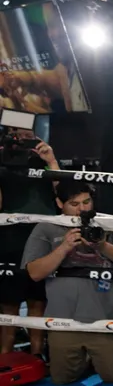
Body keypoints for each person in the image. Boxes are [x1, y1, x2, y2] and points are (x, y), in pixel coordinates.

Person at [21, 180, 113, 384]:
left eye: (86, 202)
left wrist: (102, 245)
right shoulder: (47, 227)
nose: (82, 209)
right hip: (63, 320)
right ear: (60, 203)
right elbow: (33, 273)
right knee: (62, 382)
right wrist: (64, 248)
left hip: (107, 318)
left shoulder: (111, 222)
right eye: (74, 204)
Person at [0, 126, 60, 358]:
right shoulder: (3, 163)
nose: (23, 139)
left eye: (28, 135)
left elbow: (62, 194)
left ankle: (37, 355)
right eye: (17, 135)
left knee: (38, 300)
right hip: (10, 237)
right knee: (8, 303)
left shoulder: (42, 159)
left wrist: (52, 160)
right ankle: (5, 356)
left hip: (43, 235)